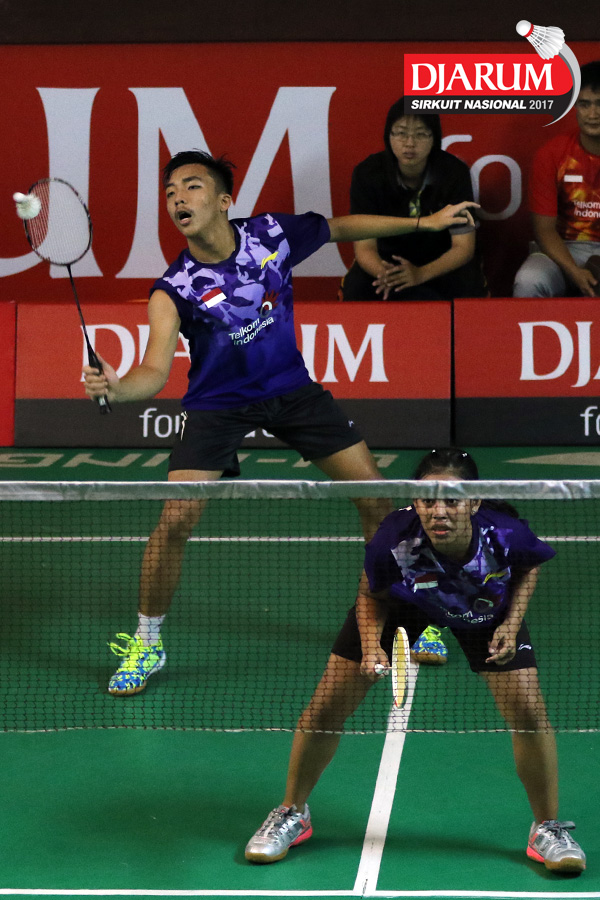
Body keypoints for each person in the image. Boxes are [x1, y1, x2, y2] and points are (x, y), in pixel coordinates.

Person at [83, 150, 478, 697]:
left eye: (191, 186)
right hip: (217, 405)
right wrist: (116, 386)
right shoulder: (174, 287)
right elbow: (152, 371)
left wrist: (425, 223)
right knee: (175, 519)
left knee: (377, 499)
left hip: (292, 392)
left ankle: (407, 616)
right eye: (170, 191)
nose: (177, 198)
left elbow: (340, 227)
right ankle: (147, 641)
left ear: (224, 200)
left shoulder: (270, 235)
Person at [245, 448, 586, 875]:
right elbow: (370, 593)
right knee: (326, 706)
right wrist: (371, 646)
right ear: (415, 500)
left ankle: (547, 827)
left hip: (483, 609)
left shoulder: (504, 532)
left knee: (529, 713)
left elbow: (528, 567)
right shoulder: (395, 535)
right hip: (405, 603)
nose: (438, 511)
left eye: (452, 500)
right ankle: (292, 812)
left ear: (474, 501)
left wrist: (512, 623)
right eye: (427, 499)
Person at [340, 97, 487, 302]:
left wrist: (420, 274)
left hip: (441, 261)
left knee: (467, 289)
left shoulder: (454, 173)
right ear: (388, 135)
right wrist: (389, 276)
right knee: (357, 289)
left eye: (420, 134)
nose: (410, 143)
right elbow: (365, 248)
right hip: (387, 262)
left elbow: (463, 247)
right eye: (401, 133)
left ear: (434, 138)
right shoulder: (367, 174)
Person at [513, 60, 600, 298]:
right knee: (529, 281)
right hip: (564, 248)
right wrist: (574, 271)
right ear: (575, 106)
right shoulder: (552, 154)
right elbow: (544, 230)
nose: (593, 114)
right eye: (585, 104)